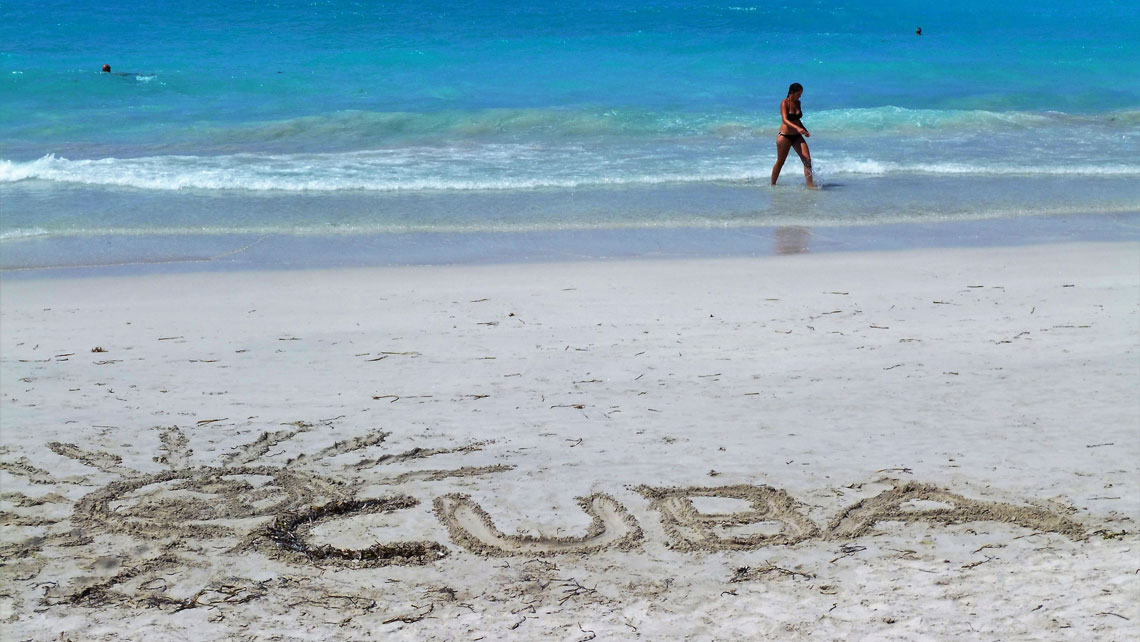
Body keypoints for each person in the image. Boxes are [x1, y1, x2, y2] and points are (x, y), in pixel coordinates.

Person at [770, 82, 815, 188]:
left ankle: (810, 185)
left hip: (797, 136)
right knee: (781, 161)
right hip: (785, 136)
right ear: (792, 92)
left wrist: (804, 129)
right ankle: (772, 185)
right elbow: (785, 120)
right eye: (799, 94)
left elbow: (797, 120)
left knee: (807, 160)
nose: (800, 96)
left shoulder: (798, 103)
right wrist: (798, 128)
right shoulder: (784, 103)